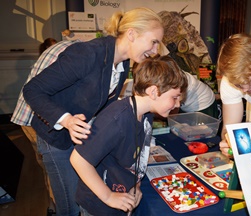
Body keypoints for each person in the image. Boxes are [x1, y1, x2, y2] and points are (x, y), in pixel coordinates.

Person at [23, 7, 163, 216]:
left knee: (83, 198)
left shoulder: (123, 64)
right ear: (132, 34)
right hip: (56, 138)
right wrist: (67, 120)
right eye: (153, 42)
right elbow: (32, 90)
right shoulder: (88, 53)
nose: (155, 51)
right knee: (70, 205)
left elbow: (103, 104)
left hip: (80, 137)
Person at [70, 55, 188, 215]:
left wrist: (136, 184)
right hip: (98, 205)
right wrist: (109, 196)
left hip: (121, 195)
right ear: (153, 92)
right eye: (174, 97)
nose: (178, 104)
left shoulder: (146, 113)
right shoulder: (116, 120)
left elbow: (136, 155)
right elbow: (78, 160)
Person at [11, 39, 75, 215]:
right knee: (52, 170)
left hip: (40, 118)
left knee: (53, 171)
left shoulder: (68, 54)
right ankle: (53, 207)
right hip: (35, 119)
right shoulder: (68, 57)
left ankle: (54, 206)